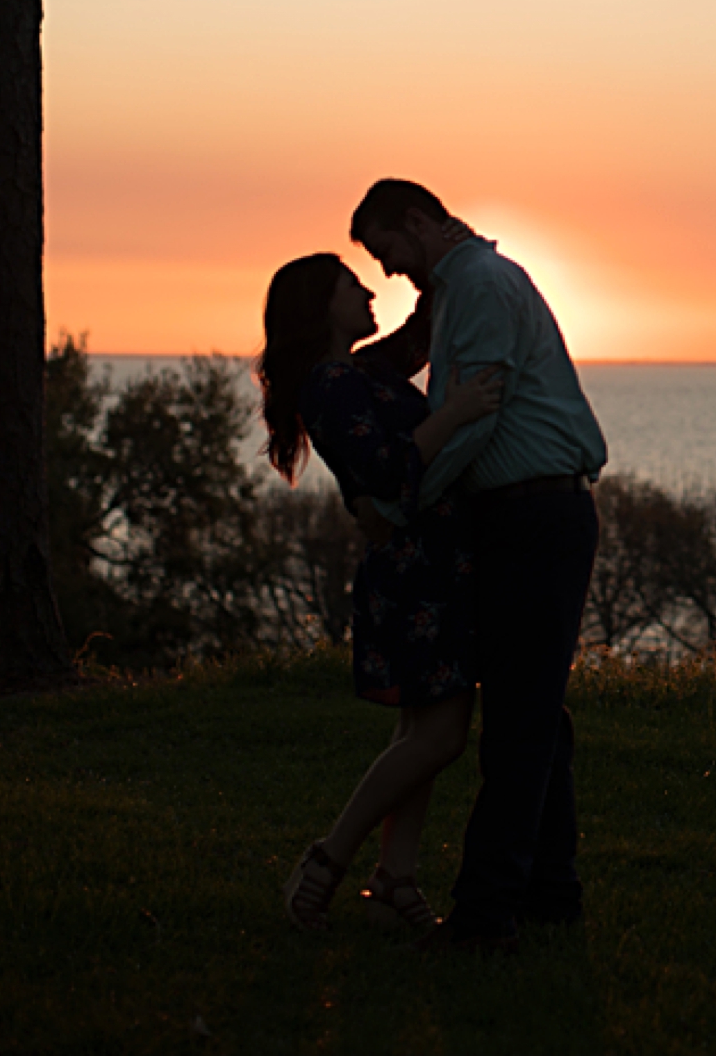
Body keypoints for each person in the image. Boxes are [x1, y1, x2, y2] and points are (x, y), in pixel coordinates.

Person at [350, 179, 608, 954]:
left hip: (536, 515)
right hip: (516, 517)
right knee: (533, 716)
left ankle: (486, 914)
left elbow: (475, 409)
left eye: (388, 250)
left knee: (519, 727)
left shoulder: (483, 286)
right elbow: (445, 397)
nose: (391, 271)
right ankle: (551, 891)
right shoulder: (462, 291)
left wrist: (403, 494)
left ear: (420, 221)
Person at [258, 251, 506, 935]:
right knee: (442, 735)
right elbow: (387, 469)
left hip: (435, 562)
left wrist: (451, 258)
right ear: (321, 304)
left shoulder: (362, 369)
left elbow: (421, 333)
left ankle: (396, 876)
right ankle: (327, 860)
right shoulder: (328, 383)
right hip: (415, 570)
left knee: (420, 732)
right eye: (352, 284)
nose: (370, 290)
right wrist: (456, 411)